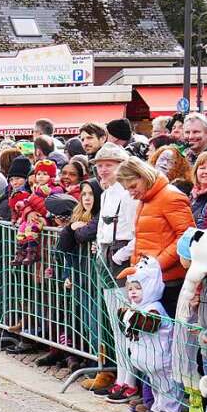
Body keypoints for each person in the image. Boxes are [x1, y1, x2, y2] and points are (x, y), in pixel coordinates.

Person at [85, 143, 138, 397]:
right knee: (115, 324)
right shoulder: (105, 194)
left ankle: (131, 380)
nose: (103, 170)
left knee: (126, 321)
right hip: (105, 256)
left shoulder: (128, 194)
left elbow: (136, 232)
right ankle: (122, 375)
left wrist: (120, 255)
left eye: (108, 165)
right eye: (99, 165)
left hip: (119, 258)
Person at [116, 157, 194, 316]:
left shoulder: (170, 196)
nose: (131, 193)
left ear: (143, 176)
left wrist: (156, 264)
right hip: (150, 277)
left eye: (133, 186)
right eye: (127, 189)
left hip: (168, 280)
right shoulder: (147, 198)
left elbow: (187, 236)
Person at [118, 257, 181, 412]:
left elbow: (149, 324)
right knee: (156, 383)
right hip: (149, 360)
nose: (133, 292)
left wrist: (129, 315)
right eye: (130, 288)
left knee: (166, 384)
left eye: (138, 288)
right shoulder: (137, 307)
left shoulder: (154, 307)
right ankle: (158, 406)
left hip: (161, 357)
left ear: (149, 287)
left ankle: (169, 409)